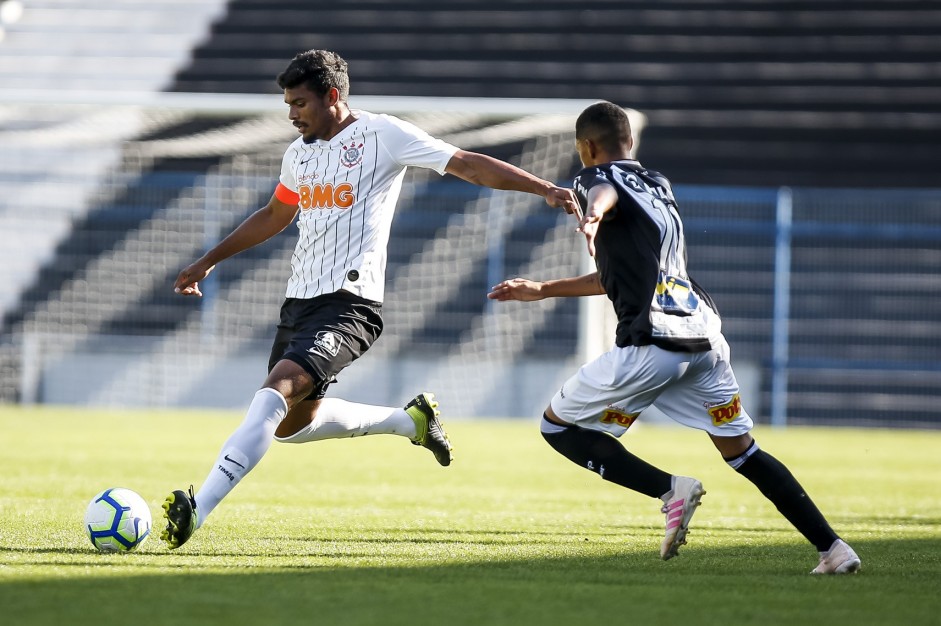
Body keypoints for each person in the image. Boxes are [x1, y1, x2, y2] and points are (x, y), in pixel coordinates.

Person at [161, 49, 579, 549]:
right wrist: (208, 259)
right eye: (288, 103)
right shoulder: (299, 154)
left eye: (300, 103)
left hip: (351, 305)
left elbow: (465, 164)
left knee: (271, 396)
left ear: (332, 97)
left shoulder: (383, 135)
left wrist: (545, 188)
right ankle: (411, 421)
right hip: (299, 303)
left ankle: (197, 508)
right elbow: (276, 214)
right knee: (292, 427)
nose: (292, 114)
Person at [487, 101, 861, 574]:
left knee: (558, 428)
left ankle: (671, 491)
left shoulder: (589, 180)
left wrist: (594, 215)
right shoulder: (659, 185)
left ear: (587, 146)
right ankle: (833, 548)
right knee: (744, 452)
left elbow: (601, 191)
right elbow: (617, 277)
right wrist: (543, 290)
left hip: (654, 345)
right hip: (703, 340)